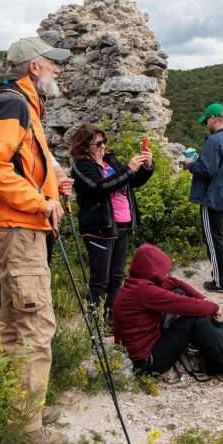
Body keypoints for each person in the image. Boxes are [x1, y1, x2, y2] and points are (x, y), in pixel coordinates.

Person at [0, 36, 70, 444]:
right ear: (34, 67)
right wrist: (42, 202)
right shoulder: (13, 103)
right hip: (18, 227)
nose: (58, 70)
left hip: (17, 227)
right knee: (35, 326)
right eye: (53, 63)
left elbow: (24, 165)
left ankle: (22, 407)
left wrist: (54, 182)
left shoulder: (25, 104)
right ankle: (28, 429)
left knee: (14, 325)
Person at [113, 244, 223, 382]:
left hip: (144, 350)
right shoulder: (145, 292)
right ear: (151, 271)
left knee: (180, 293)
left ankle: (220, 339)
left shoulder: (137, 283)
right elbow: (191, 307)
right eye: (161, 271)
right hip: (147, 363)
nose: (164, 274)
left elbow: (175, 283)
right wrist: (212, 307)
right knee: (195, 318)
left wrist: (203, 299)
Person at [69, 124, 154, 321]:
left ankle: (111, 317)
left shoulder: (109, 161)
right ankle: (94, 320)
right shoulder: (82, 167)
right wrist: (128, 169)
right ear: (84, 146)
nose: (102, 146)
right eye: (98, 143)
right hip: (100, 228)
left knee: (117, 277)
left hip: (121, 225)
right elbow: (100, 188)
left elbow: (130, 182)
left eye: (104, 142)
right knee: (100, 279)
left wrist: (146, 167)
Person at [184, 102, 223, 294]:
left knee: (211, 237)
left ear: (213, 119)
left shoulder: (213, 141)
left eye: (206, 121)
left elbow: (206, 170)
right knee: (220, 234)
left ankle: (220, 282)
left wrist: (190, 163)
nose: (206, 124)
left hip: (212, 197)